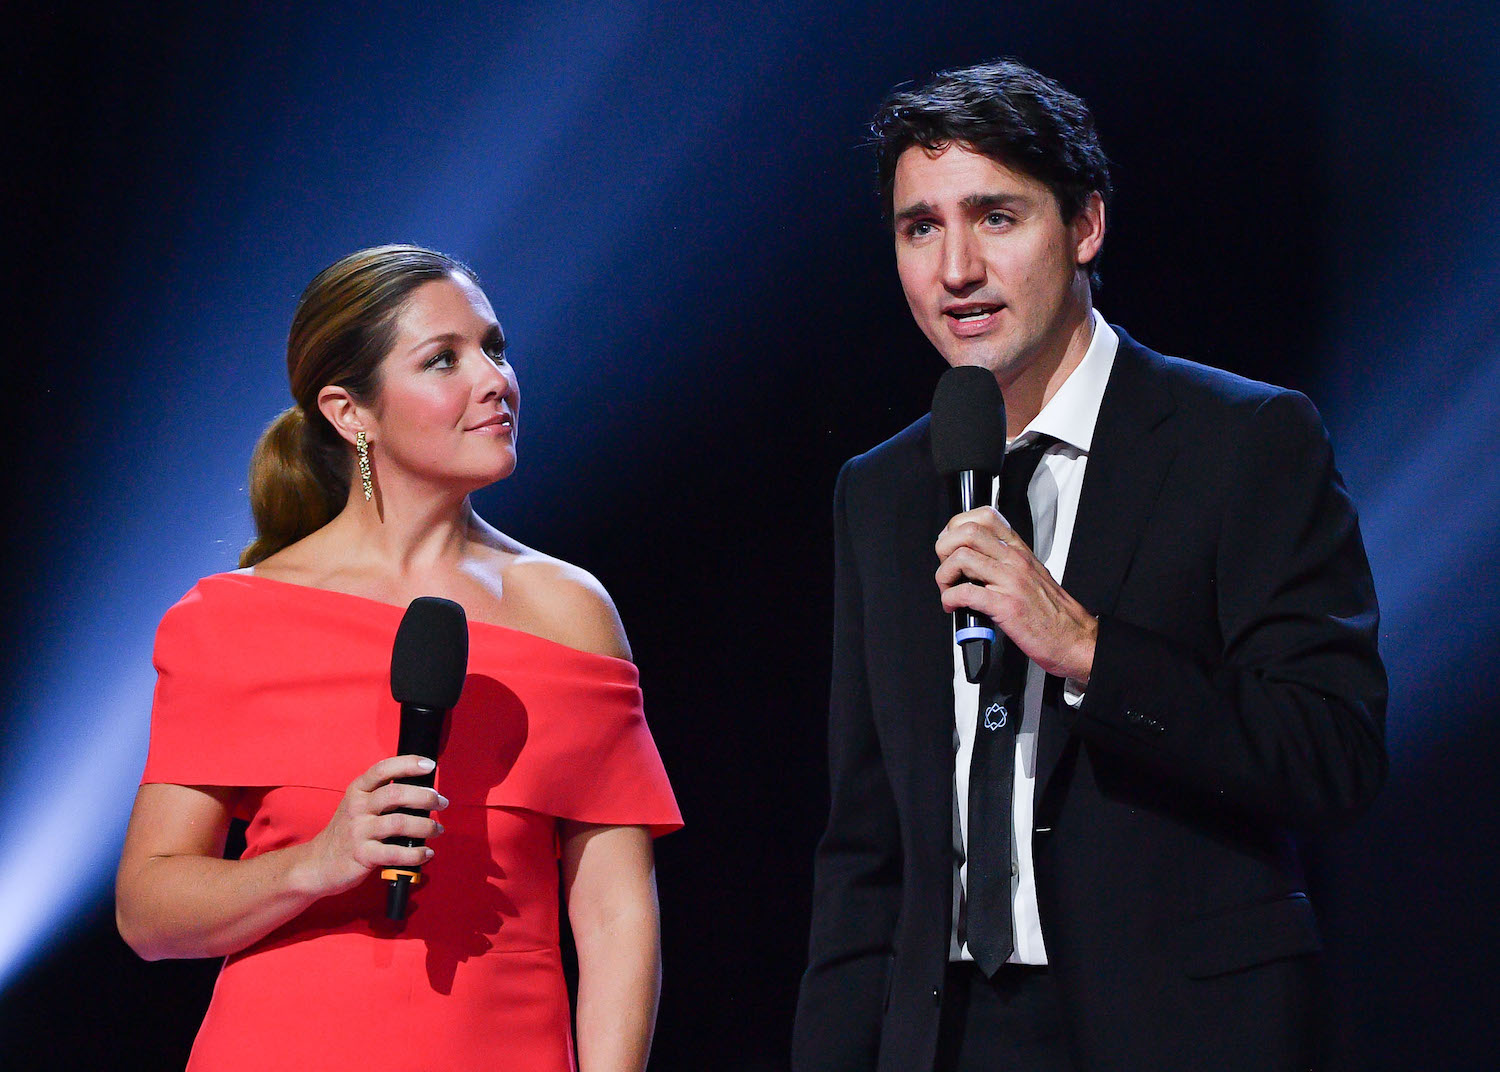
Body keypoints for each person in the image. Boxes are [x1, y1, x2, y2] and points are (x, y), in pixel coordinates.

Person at [792, 61, 1386, 1071]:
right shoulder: (882, 490)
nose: (956, 270)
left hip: (1180, 1030)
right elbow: (867, 846)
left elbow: (1329, 756)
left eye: (997, 217)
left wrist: (1088, 649)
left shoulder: (1243, 439)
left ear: (1086, 226)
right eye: (920, 228)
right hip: (943, 1036)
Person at [116, 245, 682, 1071]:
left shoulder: (571, 613)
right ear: (352, 413)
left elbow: (615, 916)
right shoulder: (233, 619)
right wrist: (316, 863)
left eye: (494, 347)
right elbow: (148, 910)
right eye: (444, 359)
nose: (494, 379)